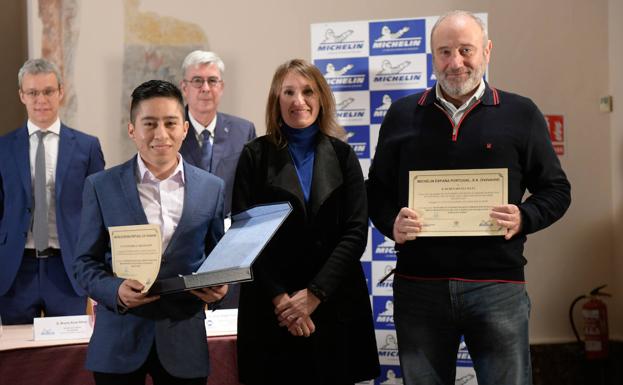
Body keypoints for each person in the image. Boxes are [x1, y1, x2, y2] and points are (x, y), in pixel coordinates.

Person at [367, 10, 571, 385]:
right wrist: (390, 223)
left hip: (497, 287)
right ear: (432, 56)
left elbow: (557, 190)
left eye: (465, 50)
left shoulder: (520, 113)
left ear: (487, 51)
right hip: (420, 288)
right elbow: (375, 191)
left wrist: (524, 216)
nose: (455, 62)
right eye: (444, 52)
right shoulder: (400, 115)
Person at [232, 59, 379, 385]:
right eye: (289, 92)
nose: (299, 100)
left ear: (321, 97)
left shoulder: (344, 156)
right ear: (276, 100)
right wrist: (283, 302)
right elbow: (243, 236)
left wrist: (314, 294)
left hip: (333, 303)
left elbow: (355, 232)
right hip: (272, 311)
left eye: (308, 91)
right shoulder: (254, 156)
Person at [74, 80, 227, 385]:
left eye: (170, 123)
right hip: (118, 340)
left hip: (184, 339)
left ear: (184, 128)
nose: (161, 134)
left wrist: (221, 288)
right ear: (132, 130)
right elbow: (83, 263)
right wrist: (114, 290)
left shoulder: (212, 188)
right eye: (149, 123)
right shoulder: (100, 186)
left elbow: (218, 258)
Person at [0, 58, 105, 325]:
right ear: (22, 95)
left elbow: (99, 213)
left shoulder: (87, 147)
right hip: (16, 268)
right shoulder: (3, 148)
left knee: (69, 355)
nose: (41, 99)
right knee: (18, 356)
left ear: (61, 91)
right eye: (33, 92)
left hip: (67, 267)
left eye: (48, 91)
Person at [179, 50, 255, 309]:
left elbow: (250, 191)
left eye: (212, 81)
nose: (205, 88)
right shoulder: (170, 130)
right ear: (184, 88)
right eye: (197, 81)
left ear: (222, 87)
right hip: (184, 247)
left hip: (231, 248)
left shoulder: (243, 130)